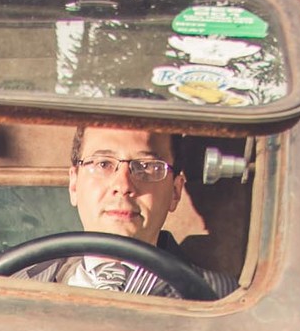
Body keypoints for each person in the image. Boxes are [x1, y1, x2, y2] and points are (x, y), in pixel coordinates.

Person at [18, 123, 237, 298]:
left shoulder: (219, 299)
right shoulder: (14, 282)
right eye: (103, 164)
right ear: (74, 185)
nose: (123, 186)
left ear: (175, 191)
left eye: (147, 166)